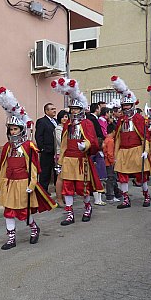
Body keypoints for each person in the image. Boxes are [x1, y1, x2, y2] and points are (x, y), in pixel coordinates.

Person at [0, 88, 56, 250]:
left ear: (21, 129)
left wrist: (31, 185)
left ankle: (34, 228)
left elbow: (34, 167)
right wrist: (1, 184)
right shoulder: (7, 147)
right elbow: (4, 166)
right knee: (8, 211)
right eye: (11, 129)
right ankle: (11, 238)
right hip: (10, 183)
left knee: (23, 213)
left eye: (15, 129)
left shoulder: (29, 146)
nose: (13, 132)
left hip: (23, 183)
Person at [51, 78, 104, 225]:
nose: (73, 111)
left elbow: (93, 141)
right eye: (72, 109)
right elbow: (63, 145)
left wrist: (85, 145)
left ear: (81, 109)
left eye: (76, 109)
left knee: (83, 188)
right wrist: (60, 161)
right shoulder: (67, 125)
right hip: (68, 160)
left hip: (82, 161)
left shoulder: (87, 123)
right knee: (67, 187)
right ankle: (69, 214)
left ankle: (87, 208)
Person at [111, 76, 151, 209]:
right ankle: (126, 199)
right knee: (122, 176)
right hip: (123, 151)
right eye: (124, 105)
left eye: (128, 105)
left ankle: (146, 196)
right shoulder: (121, 120)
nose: (126, 107)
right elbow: (117, 138)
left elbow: (145, 137)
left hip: (137, 150)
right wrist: (115, 155)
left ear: (133, 105)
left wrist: (145, 151)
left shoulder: (139, 118)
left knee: (142, 175)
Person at [35, 102, 58, 191]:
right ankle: (43, 191)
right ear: (46, 111)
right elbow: (39, 136)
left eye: (54, 109)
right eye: (52, 109)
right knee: (45, 172)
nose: (54, 111)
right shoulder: (42, 121)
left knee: (56, 171)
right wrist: (42, 148)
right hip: (47, 151)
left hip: (56, 151)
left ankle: (58, 189)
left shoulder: (56, 121)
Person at [54, 109, 70, 206]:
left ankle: (65, 196)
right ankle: (59, 198)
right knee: (60, 177)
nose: (65, 119)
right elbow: (61, 142)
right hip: (60, 155)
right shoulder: (58, 129)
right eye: (63, 117)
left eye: (66, 117)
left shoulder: (68, 128)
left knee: (66, 177)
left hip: (68, 155)